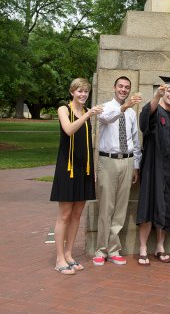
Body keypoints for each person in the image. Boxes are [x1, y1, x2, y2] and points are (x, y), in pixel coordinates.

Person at [50, 78, 103, 275]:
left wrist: (93, 170)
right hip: (67, 167)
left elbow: (89, 144)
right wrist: (88, 114)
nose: (83, 95)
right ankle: (59, 258)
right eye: (79, 91)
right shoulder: (64, 109)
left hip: (83, 169)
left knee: (77, 214)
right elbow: (69, 130)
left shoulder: (87, 112)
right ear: (72, 92)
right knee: (64, 214)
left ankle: (69, 254)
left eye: (86, 92)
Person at [93, 76, 142, 266]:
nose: (123, 89)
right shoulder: (105, 107)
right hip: (108, 161)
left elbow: (135, 140)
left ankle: (114, 250)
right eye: (120, 86)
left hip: (127, 161)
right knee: (106, 207)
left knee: (120, 209)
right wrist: (125, 106)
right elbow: (108, 118)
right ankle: (100, 250)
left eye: (127, 87)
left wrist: (136, 165)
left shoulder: (131, 114)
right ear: (114, 87)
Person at [136, 76, 170, 265]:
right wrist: (156, 96)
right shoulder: (154, 112)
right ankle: (142, 248)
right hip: (152, 168)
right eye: (169, 92)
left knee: (167, 207)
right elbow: (143, 121)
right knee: (148, 205)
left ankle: (160, 247)